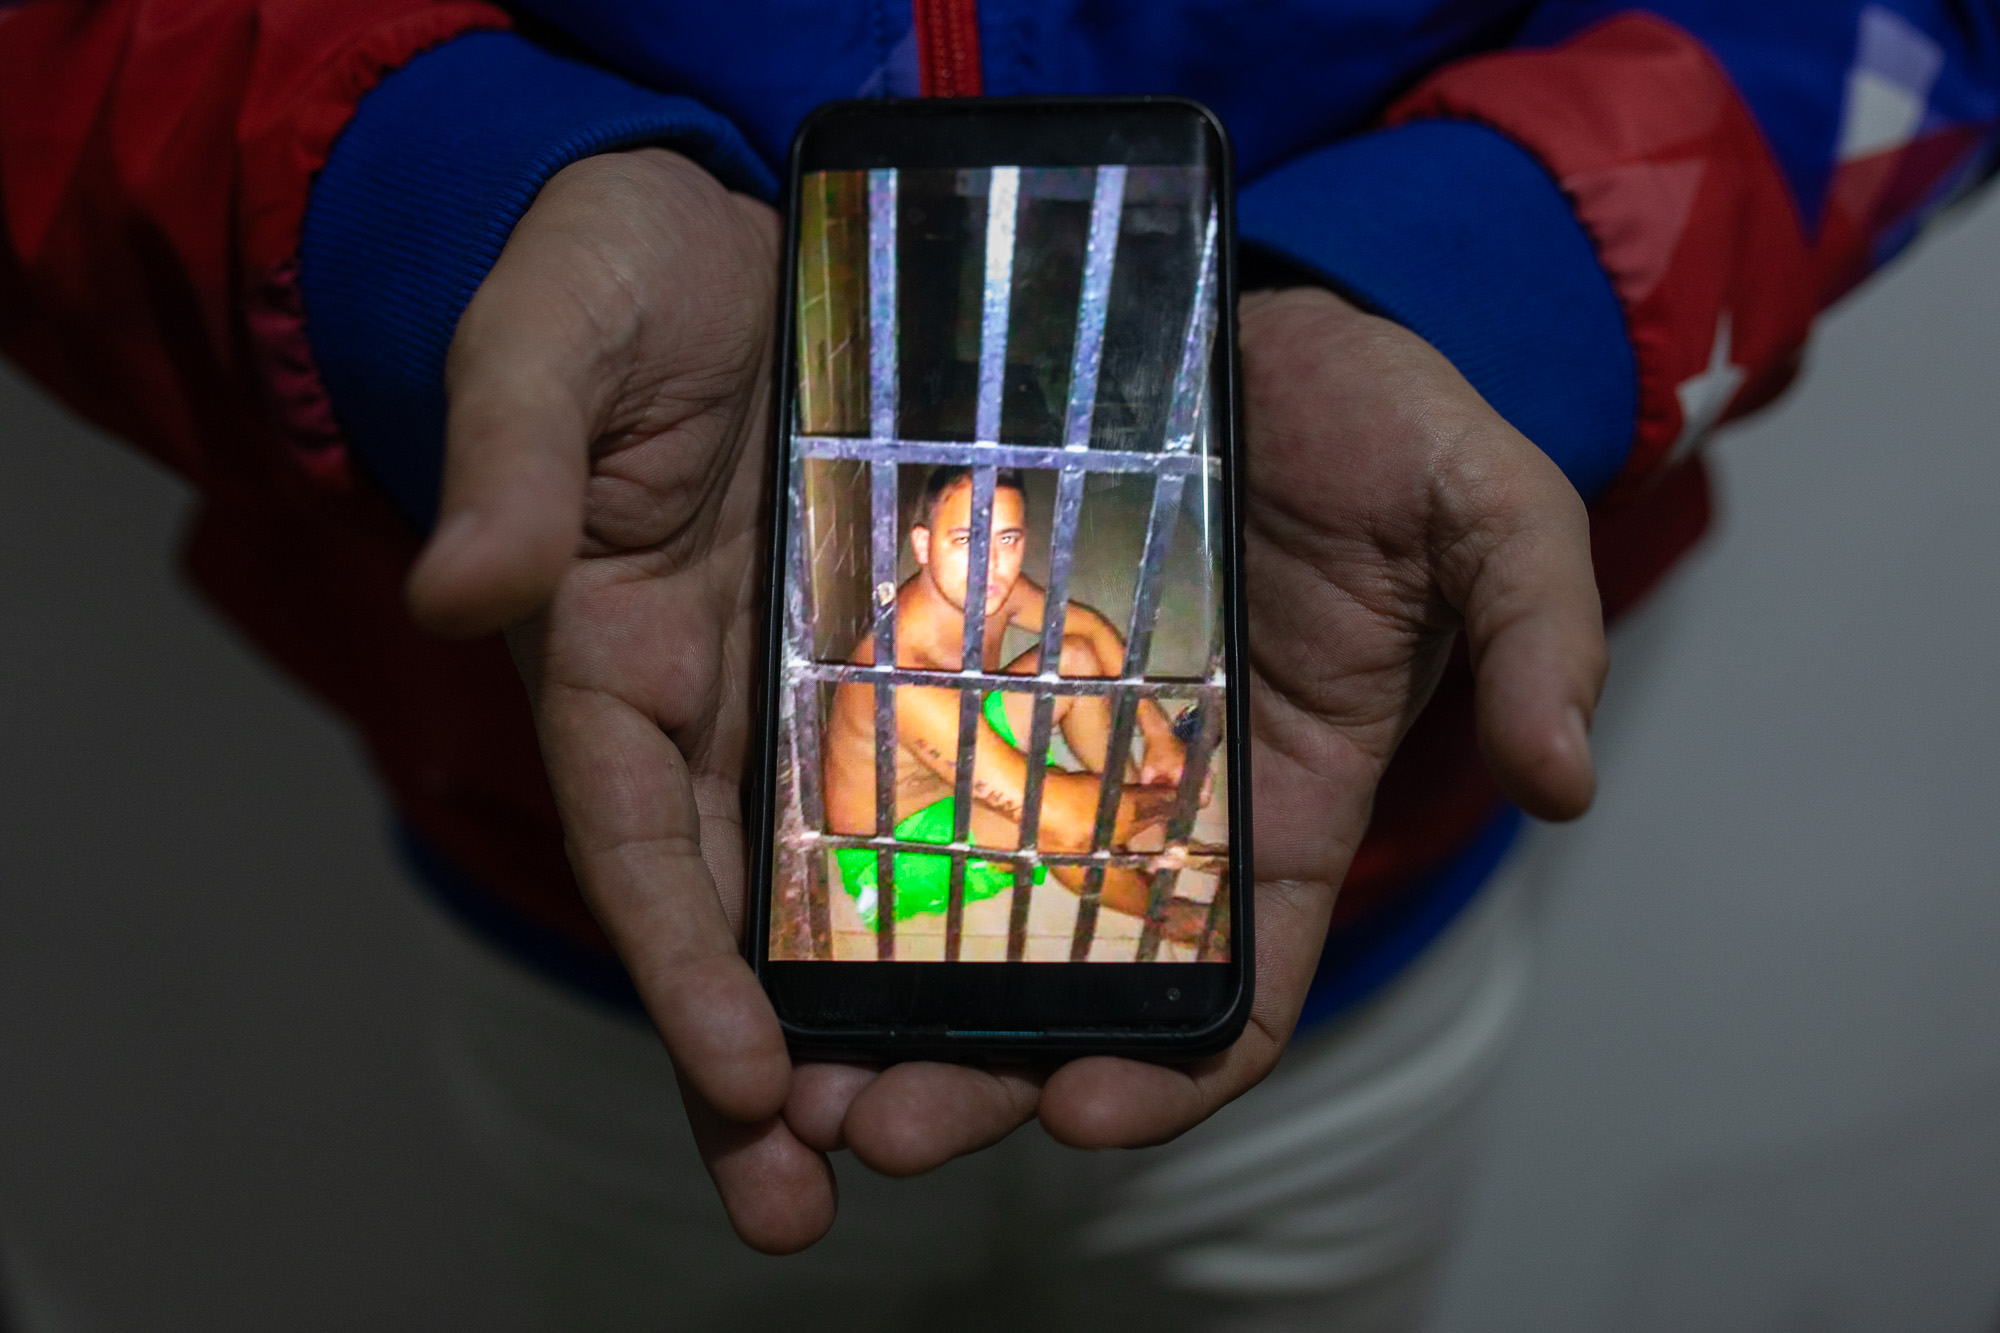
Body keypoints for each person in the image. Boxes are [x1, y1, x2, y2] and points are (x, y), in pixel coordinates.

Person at [4, 0, 1998, 1325]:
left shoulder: (1068, 647)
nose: (980, 541)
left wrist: (1513, 276)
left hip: (1355, 912)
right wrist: (418, 207)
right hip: (607, 892)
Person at [822, 465, 1201, 939]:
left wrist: (1161, 736)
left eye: (1007, 539)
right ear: (922, 546)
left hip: (959, 741)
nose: (990, 565)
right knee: (1061, 832)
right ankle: (1166, 916)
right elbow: (1064, 819)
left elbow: (1090, 630)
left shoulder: (992, 593)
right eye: (965, 540)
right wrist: (1173, 799)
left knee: (1076, 658)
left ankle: (1133, 810)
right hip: (899, 839)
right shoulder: (904, 676)